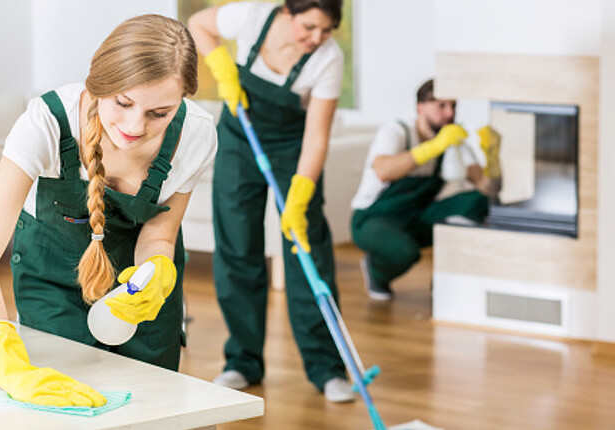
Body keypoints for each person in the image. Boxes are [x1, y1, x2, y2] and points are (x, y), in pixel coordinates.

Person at [0, 14, 217, 407]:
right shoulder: (46, 123)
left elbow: (160, 233)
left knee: (153, 403)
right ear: (99, 82)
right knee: (65, 402)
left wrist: (155, 273)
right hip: (53, 275)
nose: (133, 126)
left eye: (158, 113)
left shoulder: (195, 134)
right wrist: (6, 364)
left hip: (137, 290)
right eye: (122, 102)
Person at [188, 0, 353, 403]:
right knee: (237, 245)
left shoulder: (327, 60)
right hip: (239, 138)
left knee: (306, 248)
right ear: (289, 12)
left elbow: (316, 136)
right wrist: (222, 69)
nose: (317, 39)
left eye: (326, 30)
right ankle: (242, 361)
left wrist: (300, 194)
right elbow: (198, 24)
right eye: (310, 27)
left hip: (293, 148)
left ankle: (327, 368)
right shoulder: (252, 16)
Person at [350, 78, 501, 301]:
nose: (449, 114)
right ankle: (376, 271)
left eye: (453, 106)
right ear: (420, 108)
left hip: (417, 216)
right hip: (374, 218)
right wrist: (434, 147)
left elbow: (486, 188)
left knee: (480, 201)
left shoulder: (453, 141)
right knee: (405, 252)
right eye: (441, 106)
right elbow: (383, 170)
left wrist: (493, 155)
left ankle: (445, 279)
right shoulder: (397, 131)